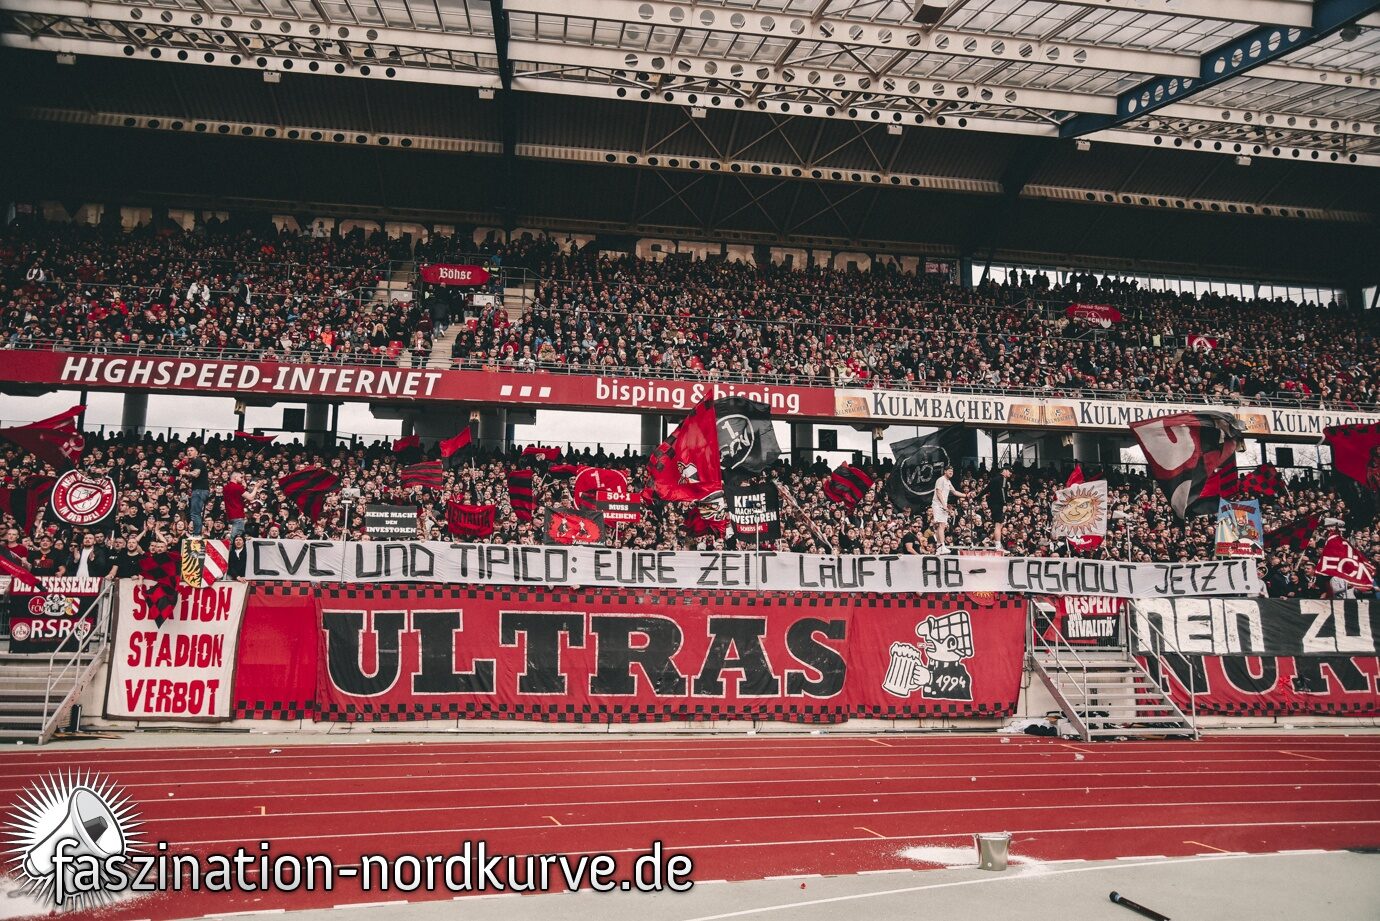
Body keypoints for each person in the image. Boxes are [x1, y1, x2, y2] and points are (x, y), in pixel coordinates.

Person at [931, 464, 969, 553]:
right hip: (938, 505)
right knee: (941, 525)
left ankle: (939, 548)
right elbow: (938, 492)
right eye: (949, 471)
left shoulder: (948, 481)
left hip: (943, 506)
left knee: (942, 526)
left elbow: (954, 492)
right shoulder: (941, 480)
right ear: (945, 471)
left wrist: (966, 495)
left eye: (952, 471)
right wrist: (944, 505)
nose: (951, 473)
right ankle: (942, 546)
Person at [181, 446, 210, 537]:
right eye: (188, 450)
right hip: (199, 490)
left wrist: (185, 473)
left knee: (195, 513)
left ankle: (197, 535)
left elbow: (196, 474)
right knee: (195, 513)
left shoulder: (197, 461)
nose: (189, 452)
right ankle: (197, 534)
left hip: (200, 491)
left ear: (197, 452)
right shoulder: (195, 462)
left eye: (191, 450)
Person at [222, 470, 255, 540]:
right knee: (236, 538)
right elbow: (250, 497)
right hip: (238, 515)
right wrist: (256, 488)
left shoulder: (226, 487)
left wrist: (243, 487)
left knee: (235, 537)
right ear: (235, 477)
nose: (242, 479)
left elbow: (236, 496)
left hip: (230, 515)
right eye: (241, 477)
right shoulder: (238, 487)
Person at [988, 464, 1012, 548]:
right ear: (1005, 471)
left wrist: (977, 497)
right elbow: (1002, 491)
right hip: (999, 504)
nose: (1011, 473)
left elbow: (986, 489)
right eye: (1009, 471)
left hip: (992, 504)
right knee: (998, 526)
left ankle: (998, 544)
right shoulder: (1003, 478)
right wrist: (1005, 503)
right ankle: (998, 546)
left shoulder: (994, 479)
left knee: (999, 525)